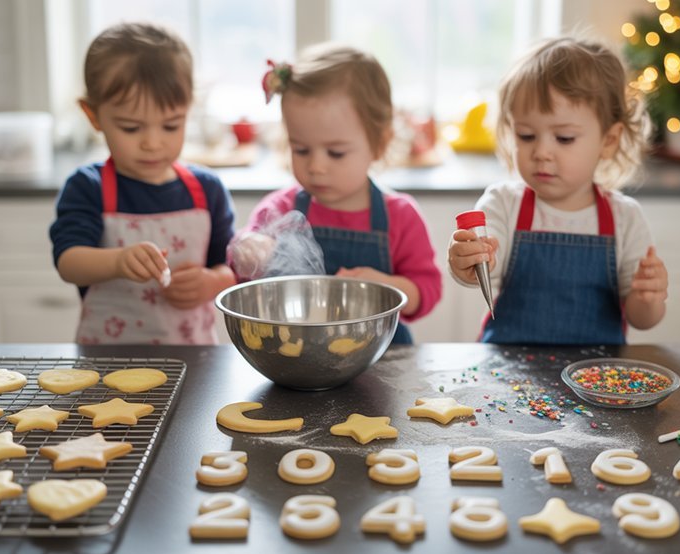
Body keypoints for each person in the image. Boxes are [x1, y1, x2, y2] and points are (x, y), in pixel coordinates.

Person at [447, 35, 668, 345]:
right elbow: (481, 269)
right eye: (526, 136)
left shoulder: (625, 218)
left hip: (596, 381)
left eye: (563, 138)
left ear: (609, 140)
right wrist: (468, 261)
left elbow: (642, 320)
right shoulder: (503, 204)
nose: (542, 152)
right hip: (510, 372)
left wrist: (648, 298)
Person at [239, 44, 442, 344]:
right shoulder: (280, 209)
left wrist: (388, 287)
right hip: (294, 359)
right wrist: (248, 251)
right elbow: (244, 273)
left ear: (379, 143)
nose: (316, 166)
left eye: (335, 153)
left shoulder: (400, 216)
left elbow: (427, 289)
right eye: (301, 149)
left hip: (382, 362)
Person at [49, 22, 237, 344]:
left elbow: (231, 268)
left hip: (195, 360)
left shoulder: (207, 190)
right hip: (106, 362)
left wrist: (211, 282)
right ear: (93, 116)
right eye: (131, 128)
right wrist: (119, 261)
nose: (152, 143)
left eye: (170, 125)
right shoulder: (88, 187)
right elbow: (69, 262)